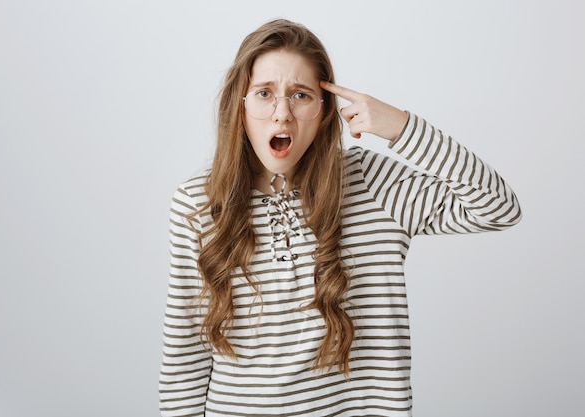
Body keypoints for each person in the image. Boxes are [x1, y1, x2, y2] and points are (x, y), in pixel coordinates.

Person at [158, 19, 521, 417]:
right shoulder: (198, 200)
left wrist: (401, 127)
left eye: (301, 95)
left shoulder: (371, 183)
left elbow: (498, 207)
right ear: (239, 105)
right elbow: (185, 353)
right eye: (264, 93)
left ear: (325, 109)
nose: (282, 114)